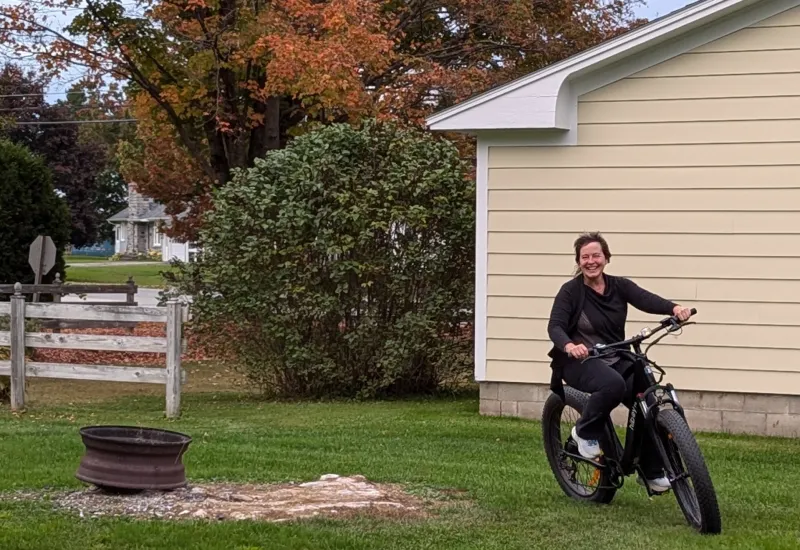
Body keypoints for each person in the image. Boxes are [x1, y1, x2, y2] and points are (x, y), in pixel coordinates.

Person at [546, 232, 692, 493]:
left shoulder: (619, 285)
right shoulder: (571, 291)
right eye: (585, 257)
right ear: (578, 261)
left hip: (615, 355)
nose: (591, 261)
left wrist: (673, 308)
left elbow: (645, 299)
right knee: (612, 384)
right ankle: (584, 432)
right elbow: (555, 326)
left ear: (606, 258)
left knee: (648, 397)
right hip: (579, 360)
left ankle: (651, 470)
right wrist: (570, 345)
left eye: (596, 255)